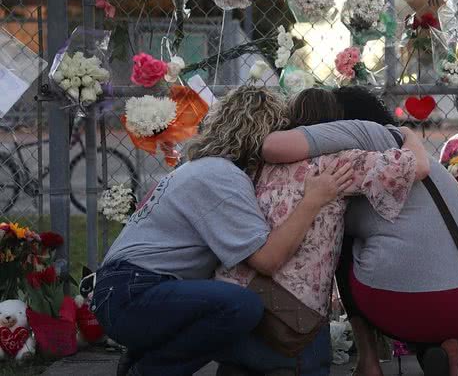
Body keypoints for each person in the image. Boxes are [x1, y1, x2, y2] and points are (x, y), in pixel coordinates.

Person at [91, 86, 354, 376]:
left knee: (228, 300)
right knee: (242, 306)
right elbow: (268, 260)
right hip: (132, 295)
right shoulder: (222, 177)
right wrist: (313, 200)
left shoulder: (199, 168)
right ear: (263, 137)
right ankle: (151, 370)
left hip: (122, 290)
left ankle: (141, 359)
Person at [262, 86, 458, 376]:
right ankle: (444, 346)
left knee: (342, 237)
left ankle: (368, 360)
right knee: (403, 245)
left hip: (401, 303)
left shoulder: (357, 137)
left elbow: (273, 146)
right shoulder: (414, 155)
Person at [215, 87, 428, 325]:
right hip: (289, 316)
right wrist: (408, 135)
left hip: (230, 294)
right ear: (336, 124)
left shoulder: (255, 163)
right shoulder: (339, 163)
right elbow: (414, 167)